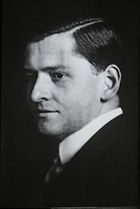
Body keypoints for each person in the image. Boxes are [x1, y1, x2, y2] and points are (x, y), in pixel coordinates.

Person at [24, 18, 137, 207]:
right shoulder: (56, 158)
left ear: (109, 82)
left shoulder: (125, 171)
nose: (35, 95)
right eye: (30, 76)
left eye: (58, 75)